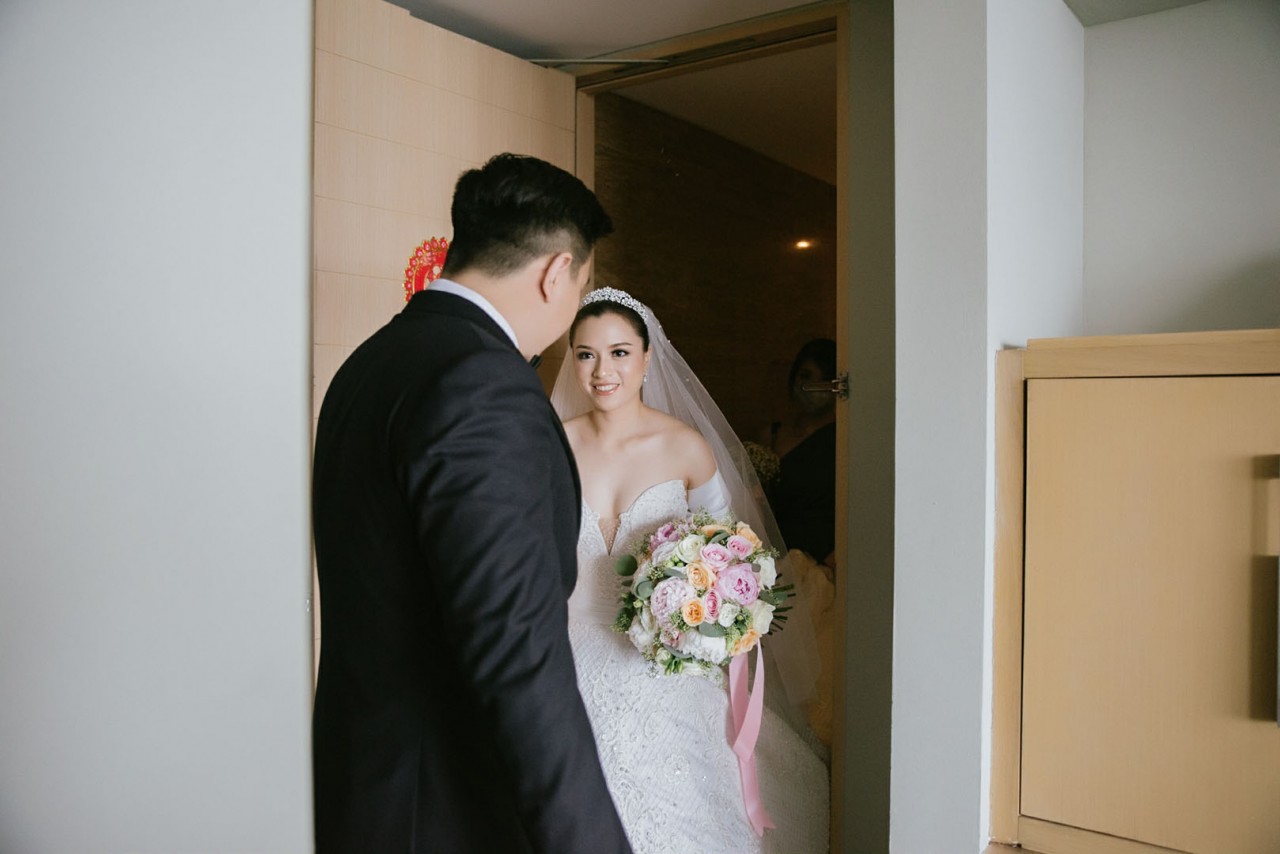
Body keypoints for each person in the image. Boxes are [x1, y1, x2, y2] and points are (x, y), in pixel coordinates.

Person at [311, 154, 632, 854]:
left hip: (365, 786)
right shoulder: (483, 382)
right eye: (581, 285)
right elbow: (516, 651)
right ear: (557, 272)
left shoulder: (372, 362)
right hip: (444, 809)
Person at [550, 287, 829, 853]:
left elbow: (732, 549)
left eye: (619, 352)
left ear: (647, 358)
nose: (603, 371)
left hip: (660, 652)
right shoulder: (549, 444)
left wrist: (707, 611)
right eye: (586, 354)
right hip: (564, 647)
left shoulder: (684, 447)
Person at [765, 339, 838, 568]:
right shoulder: (772, 435)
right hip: (776, 552)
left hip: (825, 558)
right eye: (805, 376)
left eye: (823, 379)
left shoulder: (842, 441)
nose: (811, 386)